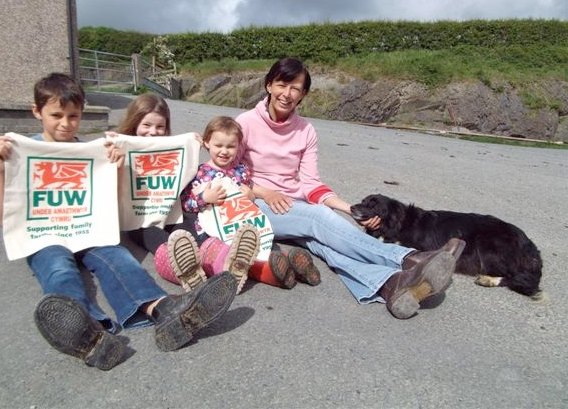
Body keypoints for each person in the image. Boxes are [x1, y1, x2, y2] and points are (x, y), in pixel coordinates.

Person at [0, 73, 238, 371]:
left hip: (87, 229)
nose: (65, 124)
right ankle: (87, 331)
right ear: (36, 111)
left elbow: (110, 204)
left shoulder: (90, 151)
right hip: (44, 234)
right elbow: (2, 218)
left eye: (73, 116)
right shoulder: (19, 151)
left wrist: (117, 168)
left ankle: (163, 309)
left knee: (119, 259)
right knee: (58, 268)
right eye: (56, 115)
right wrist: (0, 171)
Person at [234, 58, 466, 319]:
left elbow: (310, 183)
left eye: (295, 88)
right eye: (281, 85)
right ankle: (409, 259)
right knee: (318, 218)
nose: (286, 94)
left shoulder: (306, 130)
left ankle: (392, 285)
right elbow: (226, 172)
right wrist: (264, 192)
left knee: (325, 245)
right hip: (256, 205)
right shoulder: (245, 123)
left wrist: (351, 210)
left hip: (292, 208)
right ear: (268, 85)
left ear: (304, 94)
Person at [112, 94, 263, 294]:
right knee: (155, 236)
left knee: (189, 225)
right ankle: (183, 269)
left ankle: (224, 262)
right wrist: (115, 162)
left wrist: (191, 144)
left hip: (169, 210)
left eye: (160, 127)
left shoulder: (169, 149)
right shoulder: (119, 149)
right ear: (134, 123)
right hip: (139, 219)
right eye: (146, 125)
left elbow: (187, 177)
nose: (153, 132)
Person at [166, 115, 321, 294]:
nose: (224, 151)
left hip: (241, 225)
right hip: (214, 230)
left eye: (231, 146)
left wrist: (251, 196)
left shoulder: (241, 171)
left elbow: (248, 198)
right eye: (219, 145)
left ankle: (291, 265)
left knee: (258, 247)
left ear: (239, 146)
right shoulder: (199, 172)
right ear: (207, 143)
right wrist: (204, 198)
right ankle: (284, 267)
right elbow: (186, 203)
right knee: (239, 254)